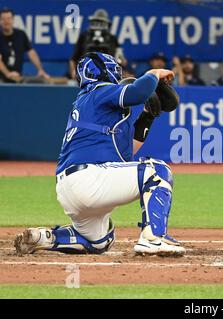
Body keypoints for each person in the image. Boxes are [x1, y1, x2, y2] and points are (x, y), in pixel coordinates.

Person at [14, 52, 185, 256]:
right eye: (114, 68)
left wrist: (147, 117)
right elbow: (136, 93)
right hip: (90, 178)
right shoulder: (98, 89)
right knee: (157, 171)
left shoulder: (91, 104)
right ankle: (153, 238)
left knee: (99, 241)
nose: (117, 72)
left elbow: (126, 153)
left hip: (71, 188)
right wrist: (154, 73)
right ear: (101, 71)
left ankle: (44, 238)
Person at [68, 9, 125, 80]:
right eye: (96, 22)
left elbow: (121, 60)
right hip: (86, 74)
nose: (98, 25)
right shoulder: (84, 36)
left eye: (101, 23)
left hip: (108, 75)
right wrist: (74, 73)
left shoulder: (112, 38)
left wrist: (119, 68)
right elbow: (73, 59)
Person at [0, 7, 49, 83]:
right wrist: (8, 74)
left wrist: (40, 69)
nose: (6, 22)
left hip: (18, 77)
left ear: (13, 20)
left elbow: (31, 53)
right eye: (3, 19)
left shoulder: (21, 35)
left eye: (9, 18)